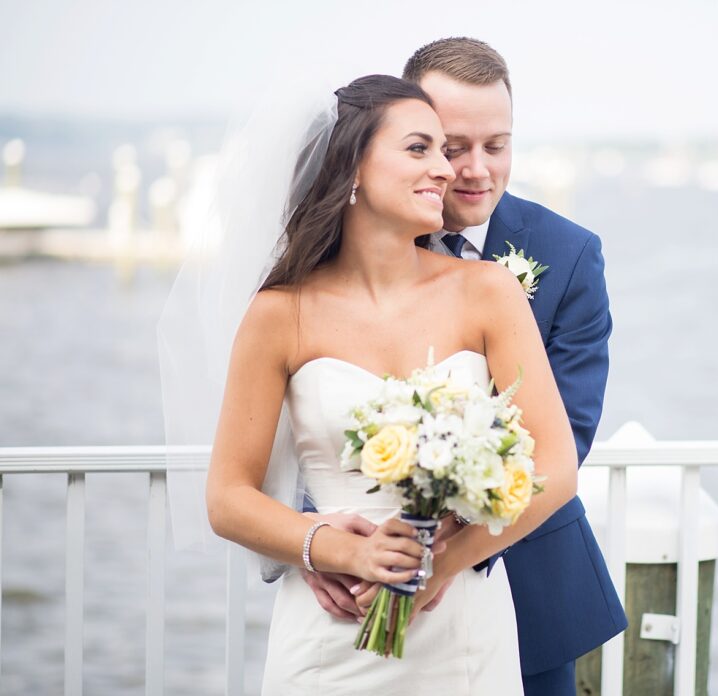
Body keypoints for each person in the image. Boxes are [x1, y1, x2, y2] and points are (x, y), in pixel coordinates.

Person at [203, 74, 579, 694]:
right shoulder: (278, 312)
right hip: (331, 627)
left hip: (461, 631)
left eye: (443, 149)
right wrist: (333, 548)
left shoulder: (487, 291)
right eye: (420, 149)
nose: (446, 170)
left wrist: (440, 564)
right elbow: (227, 496)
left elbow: (556, 466)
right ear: (352, 166)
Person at [298, 39, 628, 696]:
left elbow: (566, 436)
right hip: (359, 583)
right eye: (451, 146)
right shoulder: (338, 261)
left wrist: (443, 548)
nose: (476, 169)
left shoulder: (567, 255)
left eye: (497, 145)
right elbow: (310, 412)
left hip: (529, 590)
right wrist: (320, 536)